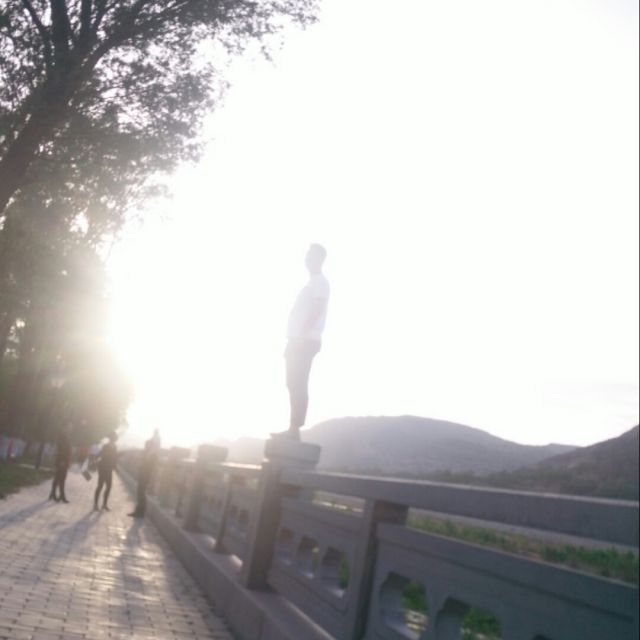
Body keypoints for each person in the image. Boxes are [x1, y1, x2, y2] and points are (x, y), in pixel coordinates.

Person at [274, 244, 330, 440]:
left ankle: (294, 429)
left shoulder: (320, 282)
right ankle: (293, 427)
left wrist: (301, 336)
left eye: (310, 255)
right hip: (298, 339)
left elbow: (317, 310)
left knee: (298, 381)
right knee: (292, 382)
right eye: (307, 255)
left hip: (305, 340)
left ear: (319, 258)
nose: (307, 258)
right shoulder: (312, 283)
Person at [128, 429, 161, 518]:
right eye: (146, 445)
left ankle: (140, 512)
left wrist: (155, 437)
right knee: (140, 492)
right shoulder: (146, 454)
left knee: (141, 492)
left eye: (147, 445)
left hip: (145, 476)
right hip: (143, 475)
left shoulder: (152, 456)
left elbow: (155, 444)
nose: (146, 446)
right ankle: (139, 511)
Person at [94, 432, 118, 511]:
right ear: (111, 438)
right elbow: (100, 454)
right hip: (103, 468)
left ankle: (104, 505)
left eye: (115, 438)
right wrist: (96, 460)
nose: (114, 440)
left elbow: (115, 457)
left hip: (109, 469)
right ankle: (95, 504)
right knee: (100, 486)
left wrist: (114, 466)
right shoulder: (106, 446)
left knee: (109, 487)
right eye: (113, 438)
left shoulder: (115, 447)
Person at [49, 423, 72, 503]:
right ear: (64, 428)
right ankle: (60, 495)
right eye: (68, 427)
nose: (69, 429)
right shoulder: (62, 437)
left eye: (70, 427)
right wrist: (62, 461)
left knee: (59, 478)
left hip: (64, 460)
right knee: (60, 478)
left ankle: (54, 494)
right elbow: (61, 449)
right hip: (62, 461)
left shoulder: (66, 436)